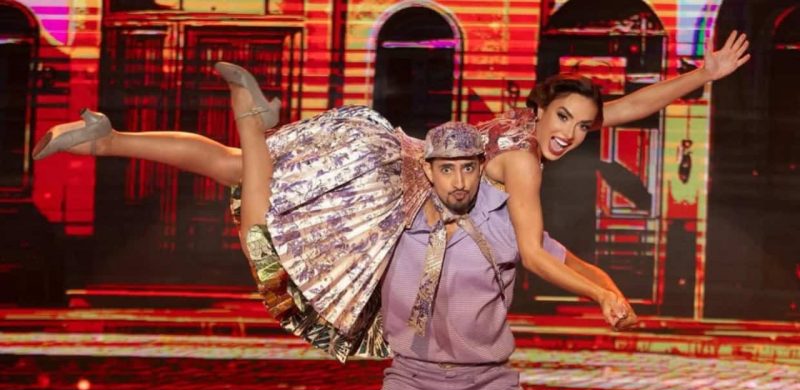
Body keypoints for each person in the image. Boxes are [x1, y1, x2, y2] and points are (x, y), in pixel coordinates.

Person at [30, 32, 750, 361]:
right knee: (263, 216)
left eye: (583, 127)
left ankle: (106, 138)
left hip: (383, 156)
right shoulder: (526, 163)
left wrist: (701, 76)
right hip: (386, 197)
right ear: (541, 109)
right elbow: (534, 254)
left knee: (232, 171)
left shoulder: (533, 124)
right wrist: (599, 295)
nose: (571, 134)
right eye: (564, 118)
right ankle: (247, 116)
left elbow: (623, 107)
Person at [347, 121, 550, 390]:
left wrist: (604, 292)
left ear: (481, 167)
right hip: (410, 383)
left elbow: (559, 257)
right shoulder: (394, 222)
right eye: (446, 169)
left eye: (467, 167)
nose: (459, 182)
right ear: (428, 171)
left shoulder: (504, 222)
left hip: (486, 387)